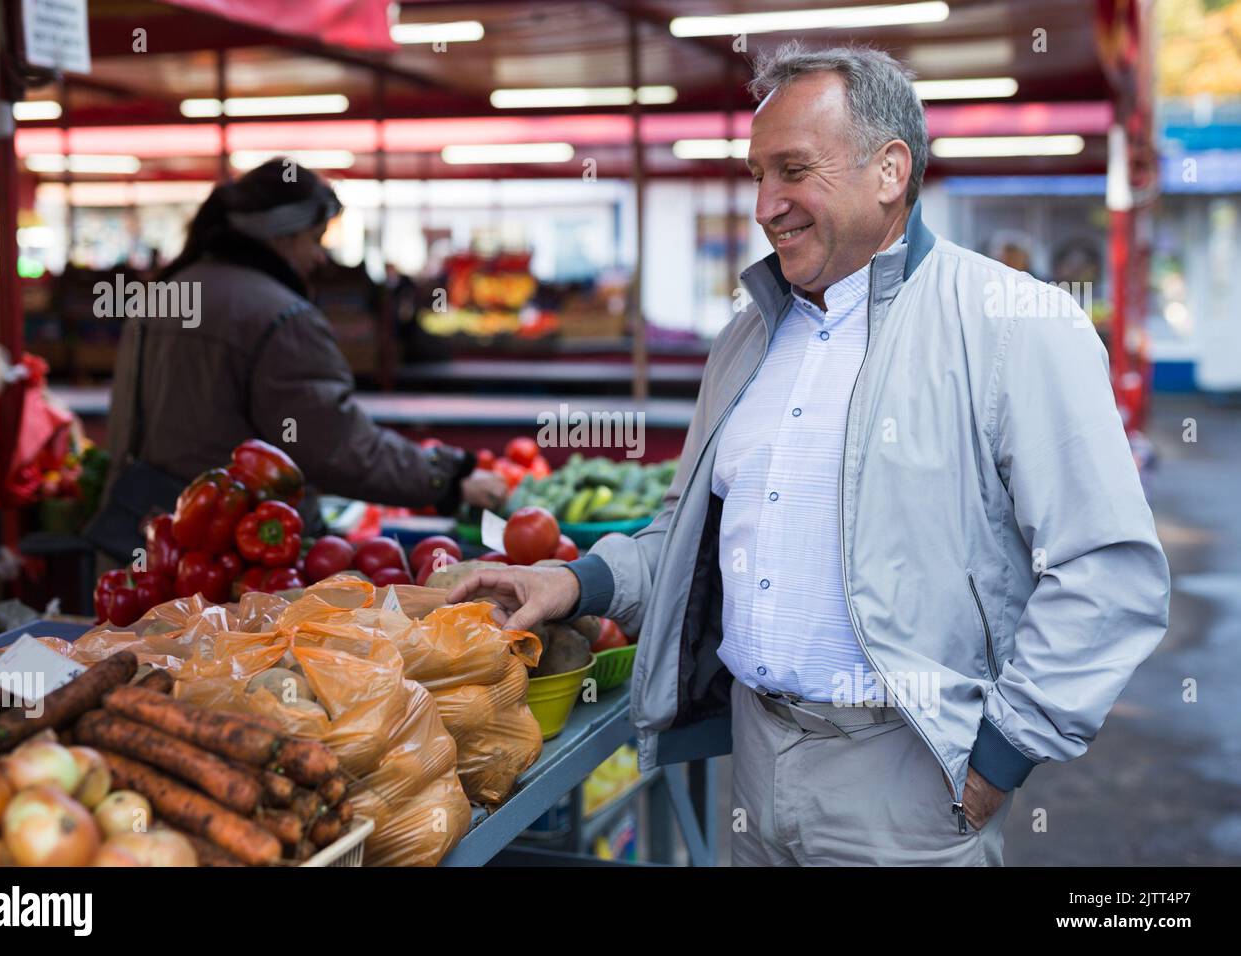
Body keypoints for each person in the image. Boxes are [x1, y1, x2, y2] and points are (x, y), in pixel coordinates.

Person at [449, 44, 1171, 866]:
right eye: (758, 173)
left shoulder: (1013, 324)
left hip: (908, 782)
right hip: (756, 760)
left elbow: (1107, 569)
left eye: (793, 170)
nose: (764, 204)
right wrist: (575, 580)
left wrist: (1001, 754)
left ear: (890, 171)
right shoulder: (751, 334)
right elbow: (690, 535)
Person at [101, 159, 507, 542]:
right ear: (282, 235)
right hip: (237, 554)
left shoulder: (164, 294)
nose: (319, 257)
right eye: (315, 239)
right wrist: (446, 479)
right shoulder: (279, 316)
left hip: (148, 541)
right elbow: (334, 445)